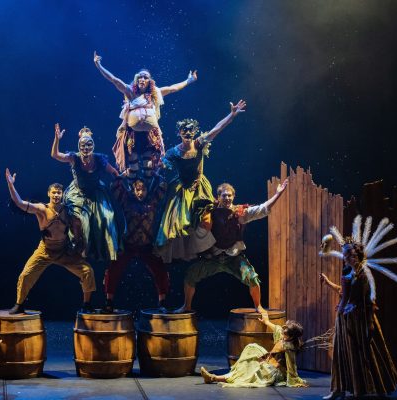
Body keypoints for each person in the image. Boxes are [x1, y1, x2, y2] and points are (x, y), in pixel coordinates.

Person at [319, 216, 397, 399]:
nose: (346, 257)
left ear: (357, 255)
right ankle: (337, 390)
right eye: (345, 254)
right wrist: (328, 283)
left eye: (350, 254)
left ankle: (372, 388)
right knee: (341, 354)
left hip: (359, 320)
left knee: (363, 354)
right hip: (343, 319)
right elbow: (344, 292)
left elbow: (368, 300)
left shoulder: (363, 274)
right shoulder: (348, 272)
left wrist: (368, 322)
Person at [175, 179, 287, 314]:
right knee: (191, 274)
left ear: (233, 196)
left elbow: (262, 209)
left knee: (252, 278)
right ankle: (186, 306)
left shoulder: (240, 212)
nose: (227, 198)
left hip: (233, 258)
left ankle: (258, 306)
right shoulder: (210, 212)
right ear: (218, 197)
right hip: (213, 257)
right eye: (224, 195)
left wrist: (278, 194)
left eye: (229, 195)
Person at [155, 100, 247, 263]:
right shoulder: (173, 152)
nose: (188, 133)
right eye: (184, 130)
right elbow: (162, 165)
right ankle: (187, 252)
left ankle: (208, 249)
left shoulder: (198, 144)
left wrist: (231, 115)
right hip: (182, 189)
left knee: (206, 221)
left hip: (199, 188)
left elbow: (216, 129)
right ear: (179, 132)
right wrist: (158, 166)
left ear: (195, 131)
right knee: (179, 224)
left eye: (191, 130)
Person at [94, 51, 198, 179]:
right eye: (140, 77)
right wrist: (99, 65)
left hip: (149, 136)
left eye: (145, 77)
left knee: (149, 169)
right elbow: (113, 80)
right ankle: (129, 186)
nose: (142, 79)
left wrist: (189, 80)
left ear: (150, 81)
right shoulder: (130, 92)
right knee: (133, 169)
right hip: (133, 136)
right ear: (136, 79)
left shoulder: (155, 93)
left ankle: (150, 186)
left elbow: (173, 88)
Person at [5, 168, 96, 314]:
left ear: (62, 194)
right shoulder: (42, 209)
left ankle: (87, 304)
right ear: (49, 194)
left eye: (58, 193)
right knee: (26, 275)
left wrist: (78, 246)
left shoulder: (68, 211)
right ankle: (19, 304)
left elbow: (78, 229)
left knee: (87, 271)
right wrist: (11, 184)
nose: (56, 195)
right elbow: (19, 202)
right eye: (53, 192)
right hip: (45, 251)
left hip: (63, 251)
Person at [51, 124, 121, 261]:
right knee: (79, 219)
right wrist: (57, 139)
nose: (86, 148)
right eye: (83, 145)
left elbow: (113, 172)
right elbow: (55, 155)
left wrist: (122, 180)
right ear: (79, 146)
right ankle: (78, 246)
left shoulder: (99, 159)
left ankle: (106, 250)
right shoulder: (74, 158)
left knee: (107, 217)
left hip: (96, 193)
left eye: (89, 145)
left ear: (93, 145)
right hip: (78, 193)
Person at [104, 175, 169, 312]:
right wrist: (122, 175)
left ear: (147, 190)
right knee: (113, 269)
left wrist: (155, 172)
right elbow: (114, 186)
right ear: (133, 190)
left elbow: (163, 186)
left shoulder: (152, 201)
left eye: (143, 190)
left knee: (160, 270)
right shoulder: (126, 200)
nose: (140, 193)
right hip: (129, 244)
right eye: (137, 190)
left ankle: (162, 302)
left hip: (147, 245)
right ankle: (109, 301)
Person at [200, 313, 308, 388]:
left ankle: (214, 378)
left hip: (275, 371)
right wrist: (266, 321)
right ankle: (224, 376)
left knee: (252, 368)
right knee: (251, 347)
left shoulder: (289, 347)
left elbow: (292, 367)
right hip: (268, 360)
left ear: (291, 337)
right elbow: (276, 328)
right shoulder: (283, 334)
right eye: (284, 330)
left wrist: (295, 380)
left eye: (286, 333)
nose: (283, 333)